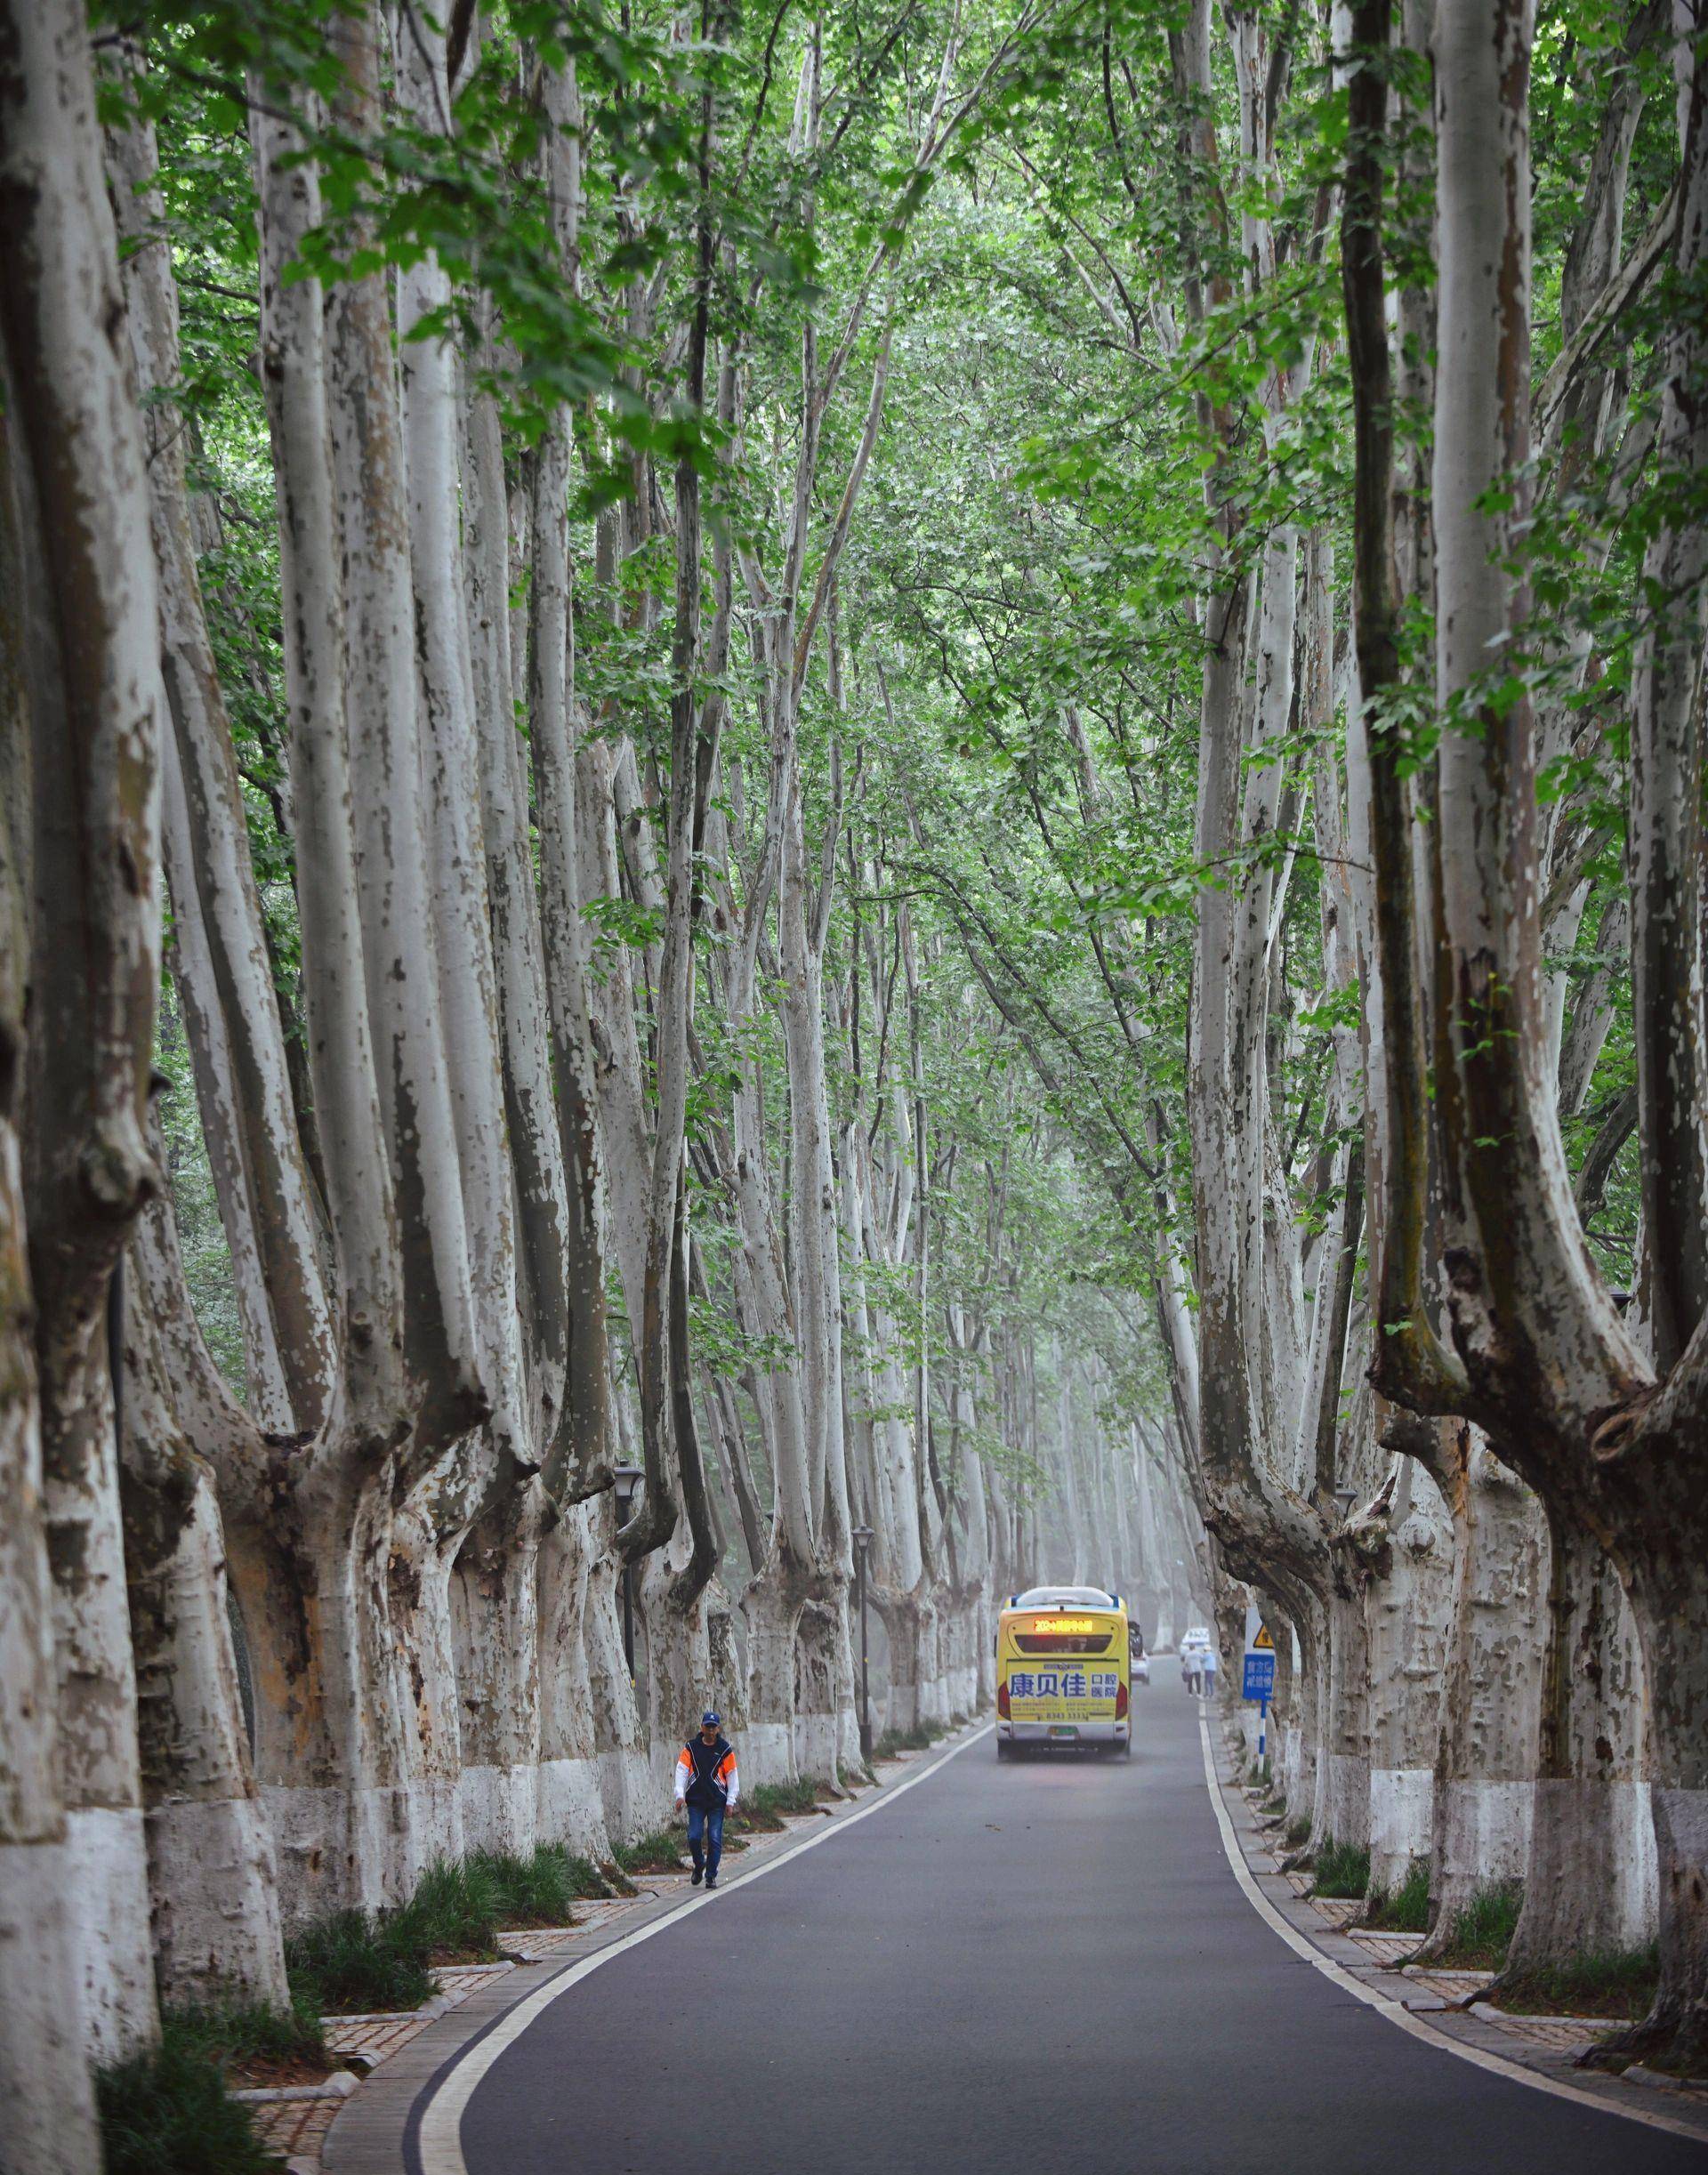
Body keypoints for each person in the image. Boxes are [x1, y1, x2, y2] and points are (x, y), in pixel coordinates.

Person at [674, 1710, 739, 1889]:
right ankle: (699, 1864)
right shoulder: (691, 1748)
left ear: (718, 1729)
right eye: (707, 1727)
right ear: (702, 1727)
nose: (710, 1731)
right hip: (695, 1801)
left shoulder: (724, 1749)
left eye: (713, 1727)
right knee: (694, 1836)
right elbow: (681, 1770)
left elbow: (732, 1775)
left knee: (714, 1837)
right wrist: (679, 1795)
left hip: (717, 1802)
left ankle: (710, 1876)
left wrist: (730, 1801)